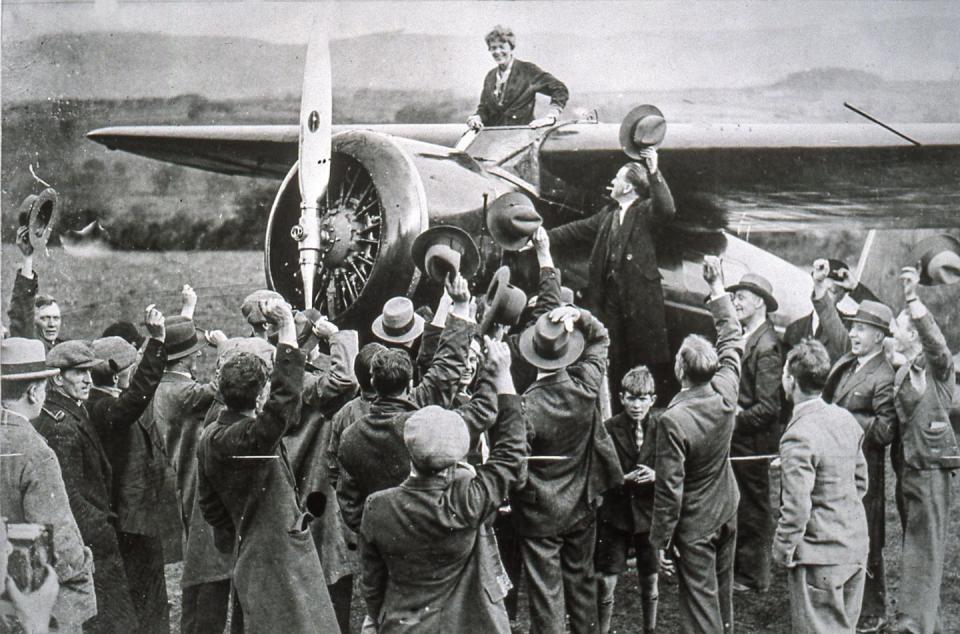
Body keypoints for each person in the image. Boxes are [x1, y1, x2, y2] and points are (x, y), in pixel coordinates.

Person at [359, 337, 522, 633]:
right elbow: (510, 456)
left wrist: (375, 616)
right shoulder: (467, 499)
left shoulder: (378, 506)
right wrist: (504, 380)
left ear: (410, 449)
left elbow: (372, 582)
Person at [196, 297, 339, 633]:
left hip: (249, 549)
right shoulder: (248, 437)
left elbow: (210, 508)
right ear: (259, 394)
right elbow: (283, 405)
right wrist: (288, 329)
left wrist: (240, 528)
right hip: (278, 556)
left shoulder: (212, 434)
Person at [36, 305, 167, 634]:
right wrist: (102, 530)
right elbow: (70, 494)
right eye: (78, 373)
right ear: (57, 378)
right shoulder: (71, 420)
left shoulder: (77, 408)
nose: (85, 379)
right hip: (99, 537)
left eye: (87, 372)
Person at [337, 274, 492, 531]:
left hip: (386, 538)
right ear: (410, 384)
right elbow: (447, 368)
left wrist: (377, 530)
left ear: (373, 384)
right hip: (432, 527)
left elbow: (350, 505)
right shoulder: (422, 417)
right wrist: (461, 308)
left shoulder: (351, 437)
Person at [513, 304, 621, 634]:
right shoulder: (586, 387)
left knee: (546, 597)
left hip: (539, 515)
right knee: (582, 585)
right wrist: (579, 315)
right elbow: (601, 337)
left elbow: (517, 473)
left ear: (533, 355)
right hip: (580, 505)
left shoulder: (526, 405)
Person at [649, 255, 742, 634]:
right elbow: (732, 337)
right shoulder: (725, 392)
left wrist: (660, 540)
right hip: (727, 507)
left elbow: (669, 489)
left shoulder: (673, 420)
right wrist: (717, 287)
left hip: (697, 525)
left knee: (700, 609)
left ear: (680, 370)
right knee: (722, 602)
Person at [548, 152, 676, 404]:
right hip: (610, 306)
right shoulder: (608, 215)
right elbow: (574, 230)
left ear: (628, 187)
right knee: (614, 363)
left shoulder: (644, 212)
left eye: (617, 178)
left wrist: (653, 171)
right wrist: (540, 236)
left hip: (639, 307)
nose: (612, 182)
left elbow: (667, 208)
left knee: (641, 370)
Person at [811, 258, 896, 633]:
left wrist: (845, 421)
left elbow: (885, 430)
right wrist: (820, 291)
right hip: (841, 465)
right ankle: (854, 602)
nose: (855, 334)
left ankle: (873, 611)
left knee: (867, 538)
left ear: (879, 336)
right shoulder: (851, 360)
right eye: (855, 328)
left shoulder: (883, 376)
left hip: (867, 470)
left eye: (862, 329)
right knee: (844, 531)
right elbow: (830, 324)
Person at [882, 267, 960, 634]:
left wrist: (913, 301)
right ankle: (931, 621)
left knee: (923, 550)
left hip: (931, 472)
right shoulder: (901, 373)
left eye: (897, 327)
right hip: (908, 471)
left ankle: (913, 625)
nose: (891, 333)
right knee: (917, 546)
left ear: (911, 333)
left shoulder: (940, 372)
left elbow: (936, 345)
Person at [0, 337, 96, 632]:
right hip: (29, 597)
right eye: (43, 386)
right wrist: (82, 566)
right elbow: (58, 537)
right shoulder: (35, 451)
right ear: (33, 391)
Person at [775, 338, 869, 633]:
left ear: (791, 380)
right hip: (854, 549)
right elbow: (860, 482)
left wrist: (782, 548)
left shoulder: (798, 435)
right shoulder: (845, 419)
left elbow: (796, 508)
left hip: (821, 558)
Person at [726, 272, 784, 593]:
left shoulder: (768, 345)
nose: (735, 302)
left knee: (753, 508)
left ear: (759, 302)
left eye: (741, 297)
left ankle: (754, 575)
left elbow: (768, 408)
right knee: (741, 505)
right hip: (741, 442)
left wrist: (733, 419)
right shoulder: (751, 337)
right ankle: (743, 571)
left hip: (752, 443)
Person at [595, 366, 660, 634]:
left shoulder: (662, 427)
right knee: (606, 580)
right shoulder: (609, 428)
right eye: (631, 398)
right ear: (621, 398)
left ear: (652, 400)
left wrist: (656, 475)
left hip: (648, 517)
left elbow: (675, 466)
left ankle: (650, 629)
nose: (636, 405)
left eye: (643, 398)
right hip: (616, 516)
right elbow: (599, 472)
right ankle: (604, 629)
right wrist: (623, 478)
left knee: (651, 579)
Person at [466, 25, 568, 130]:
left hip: (521, 137)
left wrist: (551, 117)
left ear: (511, 47)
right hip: (493, 137)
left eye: (502, 46)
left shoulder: (528, 70)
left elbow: (560, 89)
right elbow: (484, 109)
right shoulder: (490, 76)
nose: (497, 52)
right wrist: (477, 118)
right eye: (493, 48)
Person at [6, 226, 65, 350]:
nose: (51, 324)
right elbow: (23, 309)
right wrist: (28, 258)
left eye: (56, 318)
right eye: (44, 318)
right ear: (33, 322)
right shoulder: (32, 345)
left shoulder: (64, 347)